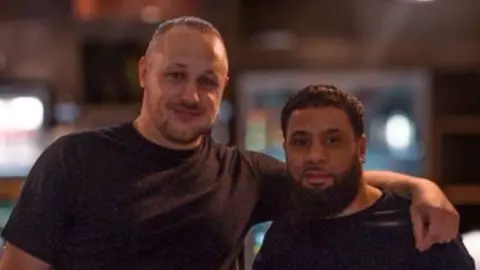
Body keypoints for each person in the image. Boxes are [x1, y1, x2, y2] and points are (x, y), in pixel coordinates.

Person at [0, 17, 459, 270]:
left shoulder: (245, 175)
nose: (190, 95)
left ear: (223, 87)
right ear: (144, 73)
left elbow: (325, 176)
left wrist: (421, 188)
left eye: (207, 81)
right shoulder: (73, 159)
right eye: (175, 76)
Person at [252, 85, 474, 270]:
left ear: (361, 149)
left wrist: (422, 187)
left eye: (332, 141)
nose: (315, 156)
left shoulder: (417, 226)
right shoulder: (284, 234)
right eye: (301, 142)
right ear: (285, 149)